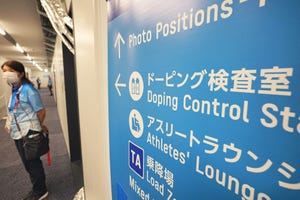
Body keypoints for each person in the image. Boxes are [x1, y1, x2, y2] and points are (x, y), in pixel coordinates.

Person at [1, 60, 48, 200]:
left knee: (32, 163)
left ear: (20, 73)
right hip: (17, 133)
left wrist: (37, 127)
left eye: (9, 71)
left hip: (29, 132)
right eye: (4, 72)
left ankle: (40, 190)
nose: (6, 75)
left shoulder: (28, 90)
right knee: (27, 163)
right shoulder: (15, 89)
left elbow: (41, 111)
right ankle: (37, 186)